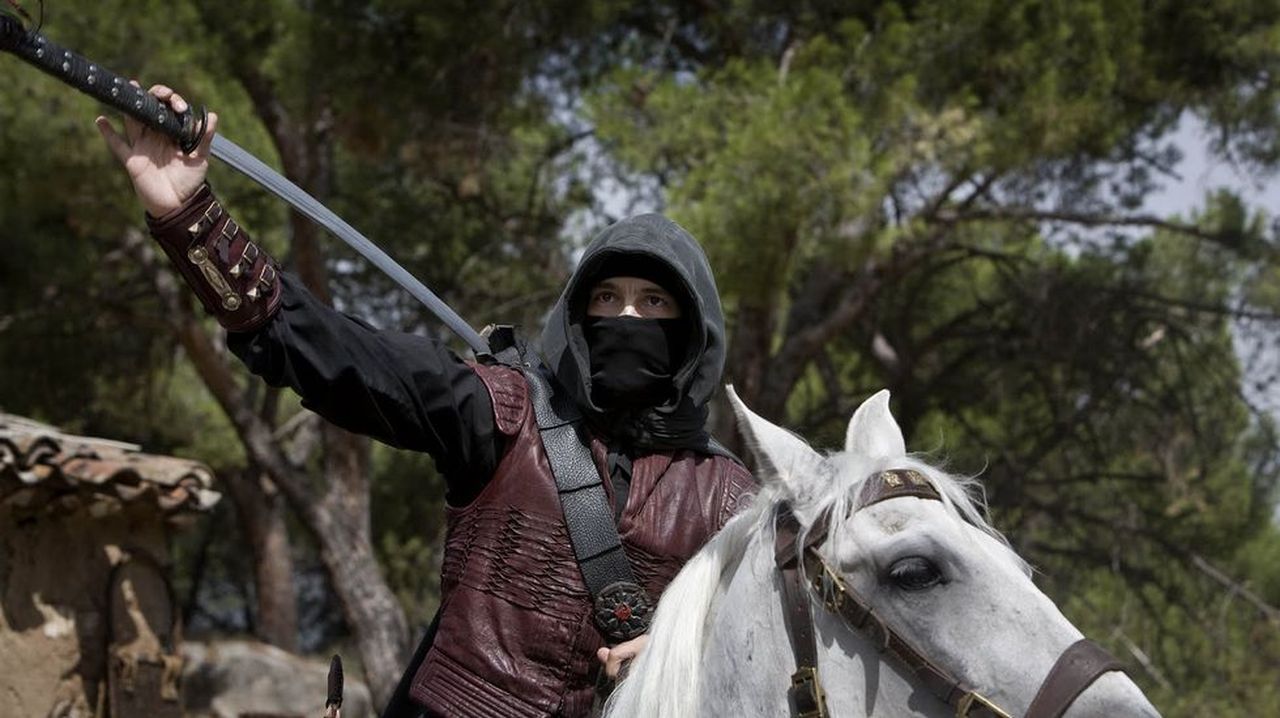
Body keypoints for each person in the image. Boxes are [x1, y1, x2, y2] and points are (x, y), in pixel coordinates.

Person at [97, 86, 755, 717]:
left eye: (653, 302)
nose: (626, 315)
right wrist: (189, 219)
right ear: (578, 315)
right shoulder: (504, 413)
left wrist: (682, 661)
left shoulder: (729, 500)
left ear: (691, 332)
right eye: (607, 299)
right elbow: (335, 355)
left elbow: (769, 660)